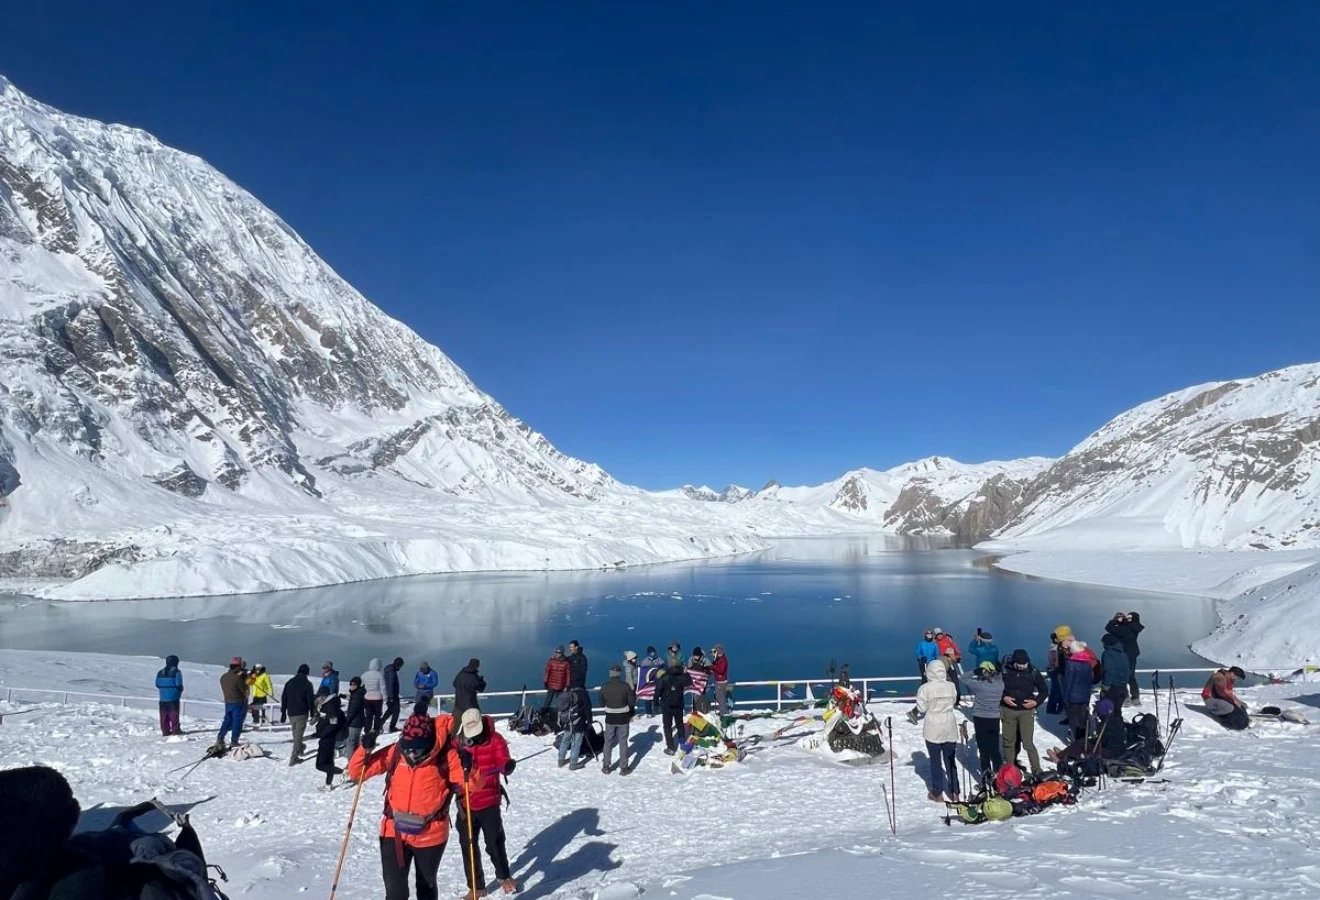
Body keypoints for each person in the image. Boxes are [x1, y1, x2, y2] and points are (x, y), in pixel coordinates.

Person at [348, 710, 467, 900]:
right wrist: (365, 749)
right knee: (395, 892)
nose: (411, 754)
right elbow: (357, 773)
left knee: (426, 888)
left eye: (417, 749)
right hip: (393, 832)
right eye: (408, 748)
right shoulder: (397, 752)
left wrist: (470, 766)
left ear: (429, 744)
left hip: (431, 833)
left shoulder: (447, 756)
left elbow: (473, 785)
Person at [454, 709, 517, 896]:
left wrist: (507, 766)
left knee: (494, 842)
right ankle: (477, 887)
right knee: (468, 845)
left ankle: (504, 876)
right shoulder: (457, 744)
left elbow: (503, 760)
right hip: (465, 802)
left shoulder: (495, 739)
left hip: (489, 800)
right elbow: (448, 766)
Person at [915, 659, 960, 803]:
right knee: (950, 760)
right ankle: (955, 792)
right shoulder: (951, 685)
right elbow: (953, 701)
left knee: (935, 762)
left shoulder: (925, 688)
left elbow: (921, 708)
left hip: (933, 726)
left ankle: (937, 792)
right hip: (949, 725)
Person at [999, 648, 1048, 778]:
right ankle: (1009, 769)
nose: (1022, 666)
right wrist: (1004, 697)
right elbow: (996, 687)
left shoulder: (1032, 671)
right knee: (1008, 741)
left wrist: (1035, 702)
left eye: (1024, 664)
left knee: (1027, 742)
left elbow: (1044, 690)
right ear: (1014, 662)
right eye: (1020, 664)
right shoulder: (1005, 670)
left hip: (1026, 711)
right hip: (1008, 710)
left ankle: (1037, 770)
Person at [964, 661, 1005, 779]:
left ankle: (986, 778)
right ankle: (999, 775)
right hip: (994, 719)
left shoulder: (978, 686)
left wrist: (974, 671)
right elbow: (999, 676)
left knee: (983, 750)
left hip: (980, 718)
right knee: (994, 749)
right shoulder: (1000, 685)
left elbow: (963, 677)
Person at [599, 663, 636, 774]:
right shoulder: (625, 686)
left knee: (608, 742)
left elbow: (601, 704)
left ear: (611, 673)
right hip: (623, 717)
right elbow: (632, 702)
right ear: (619, 673)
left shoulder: (604, 686)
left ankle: (606, 765)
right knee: (623, 742)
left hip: (610, 717)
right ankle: (623, 767)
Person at [1062, 639, 1099, 744]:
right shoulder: (1087, 663)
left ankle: (1077, 742)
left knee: (1073, 719)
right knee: (1082, 718)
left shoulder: (1070, 664)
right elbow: (1089, 681)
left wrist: (1065, 698)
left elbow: (1068, 682)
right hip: (1084, 696)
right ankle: (1084, 739)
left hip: (1073, 697)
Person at [1105, 611, 1145, 706]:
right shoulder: (1133, 627)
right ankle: (1134, 697)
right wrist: (1119, 621)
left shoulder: (1129, 628)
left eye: (1129, 618)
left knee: (1124, 676)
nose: (1126, 619)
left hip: (1125, 654)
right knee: (1131, 676)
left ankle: (1127, 697)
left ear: (1134, 619)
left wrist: (1115, 621)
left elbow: (1109, 628)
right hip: (1130, 654)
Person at [281, 662, 316, 765]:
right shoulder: (307, 684)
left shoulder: (289, 682)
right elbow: (310, 699)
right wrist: (312, 712)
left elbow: (284, 698)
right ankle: (294, 758)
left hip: (291, 712)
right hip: (302, 712)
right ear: (307, 673)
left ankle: (300, 748)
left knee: (296, 734)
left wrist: (283, 712)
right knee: (298, 735)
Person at [655, 663, 692, 756]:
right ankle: (683, 744)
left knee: (667, 726)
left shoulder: (664, 677)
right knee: (679, 724)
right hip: (679, 704)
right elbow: (690, 682)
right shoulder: (681, 676)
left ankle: (671, 748)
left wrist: (655, 703)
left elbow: (658, 691)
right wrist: (686, 673)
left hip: (667, 706)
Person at [315, 693, 348, 788]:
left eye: (320, 697)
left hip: (327, 739)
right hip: (329, 738)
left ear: (325, 697)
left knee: (320, 765)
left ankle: (342, 771)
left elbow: (333, 723)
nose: (319, 699)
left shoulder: (330, 707)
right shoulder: (328, 705)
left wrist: (322, 733)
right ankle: (328, 784)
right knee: (329, 763)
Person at [556, 685, 593, 770]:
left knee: (565, 740)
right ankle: (573, 763)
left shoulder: (568, 692)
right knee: (576, 742)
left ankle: (561, 760)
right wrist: (589, 721)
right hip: (578, 722)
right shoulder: (583, 694)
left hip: (567, 721)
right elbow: (587, 708)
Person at [215, 656, 247, 751]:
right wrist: (243, 678)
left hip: (228, 701)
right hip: (238, 702)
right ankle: (234, 741)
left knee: (227, 720)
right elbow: (243, 689)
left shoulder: (224, 677)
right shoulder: (238, 678)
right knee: (237, 722)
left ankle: (220, 738)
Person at [1099, 633, 1132, 710]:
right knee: (1117, 709)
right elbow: (1128, 669)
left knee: (1106, 708)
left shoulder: (1107, 653)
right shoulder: (1123, 653)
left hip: (1112, 685)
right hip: (1123, 685)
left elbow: (1108, 670)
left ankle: (1107, 721)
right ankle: (1117, 721)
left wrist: (1106, 685)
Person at [154, 654, 183, 737]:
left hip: (162, 698)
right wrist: (178, 691)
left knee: (164, 716)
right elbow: (179, 684)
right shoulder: (177, 672)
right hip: (174, 697)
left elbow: (157, 684)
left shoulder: (160, 672)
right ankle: (175, 731)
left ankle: (165, 731)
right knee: (174, 715)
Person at [543, 646, 571, 712]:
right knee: (559, 702)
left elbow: (547, 673)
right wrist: (567, 685)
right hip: (561, 686)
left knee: (547, 701)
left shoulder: (551, 661)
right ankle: (559, 716)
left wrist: (545, 682)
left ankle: (543, 714)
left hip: (551, 685)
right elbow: (568, 675)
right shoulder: (566, 663)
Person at [345, 676, 367, 759]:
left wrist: (346, 721)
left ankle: (351, 761)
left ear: (358, 685)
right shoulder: (358, 693)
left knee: (351, 742)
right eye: (350, 684)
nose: (352, 686)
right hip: (358, 722)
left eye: (354, 684)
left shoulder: (357, 695)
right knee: (355, 741)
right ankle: (356, 759)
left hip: (354, 723)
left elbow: (352, 711)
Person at [362, 658, 386, 734]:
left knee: (368, 715)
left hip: (367, 698)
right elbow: (383, 687)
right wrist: (385, 697)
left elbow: (361, 685)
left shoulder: (365, 674)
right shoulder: (379, 675)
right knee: (377, 715)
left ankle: (367, 730)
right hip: (377, 698)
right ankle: (376, 729)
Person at [639, 646, 665, 716]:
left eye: (654, 652)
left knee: (658, 696)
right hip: (648, 683)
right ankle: (648, 712)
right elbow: (641, 672)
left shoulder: (660, 660)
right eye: (651, 652)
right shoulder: (644, 661)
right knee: (648, 697)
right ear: (648, 653)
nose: (653, 653)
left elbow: (664, 668)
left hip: (657, 682)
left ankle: (658, 710)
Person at [1045, 631, 1066, 715]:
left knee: (1058, 689)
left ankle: (1057, 707)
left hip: (1054, 670)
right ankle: (1052, 708)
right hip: (1055, 671)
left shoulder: (1055, 648)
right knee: (1056, 690)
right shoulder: (1055, 649)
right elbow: (1054, 662)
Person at [247, 663, 274, 727]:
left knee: (261, 709)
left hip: (262, 695)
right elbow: (249, 683)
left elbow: (269, 685)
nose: (257, 670)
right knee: (255, 709)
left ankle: (261, 720)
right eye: (256, 669)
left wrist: (270, 693)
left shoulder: (265, 676)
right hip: (255, 695)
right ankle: (255, 720)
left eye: (258, 669)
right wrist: (251, 677)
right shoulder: (254, 675)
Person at [383, 656, 405, 732]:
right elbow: (391, 684)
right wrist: (392, 696)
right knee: (396, 711)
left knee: (390, 710)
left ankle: (380, 724)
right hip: (393, 695)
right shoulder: (392, 672)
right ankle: (391, 727)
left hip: (390, 695)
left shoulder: (389, 671)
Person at [710, 644, 731, 715]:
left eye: (715, 652)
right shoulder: (719, 659)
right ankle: (723, 712)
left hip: (721, 682)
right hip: (719, 681)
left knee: (721, 699)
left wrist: (713, 667)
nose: (713, 653)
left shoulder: (723, 660)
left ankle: (723, 714)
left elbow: (721, 671)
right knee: (720, 698)